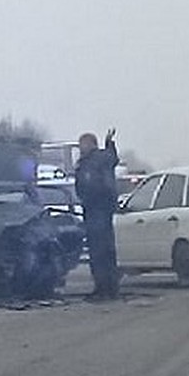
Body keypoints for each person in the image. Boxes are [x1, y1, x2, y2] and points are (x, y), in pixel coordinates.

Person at [75, 128, 120, 299]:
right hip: (99, 209)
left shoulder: (93, 161)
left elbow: (110, 161)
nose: (80, 148)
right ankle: (109, 288)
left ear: (90, 144)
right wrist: (110, 144)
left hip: (97, 209)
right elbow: (112, 158)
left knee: (99, 251)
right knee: (106, 250)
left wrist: (110, 144)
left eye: (82, 144)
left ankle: (104, 289)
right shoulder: (94, 160)